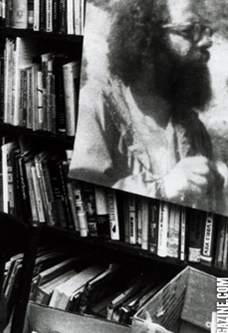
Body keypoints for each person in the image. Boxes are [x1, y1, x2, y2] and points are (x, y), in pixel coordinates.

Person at [69, 0, 228, 215]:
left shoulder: (193, 127)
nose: (207, 42)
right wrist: (163, 188)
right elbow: (81, 205)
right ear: (147, 40)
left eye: (206, 30)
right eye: (190, 30)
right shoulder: (93, 107)